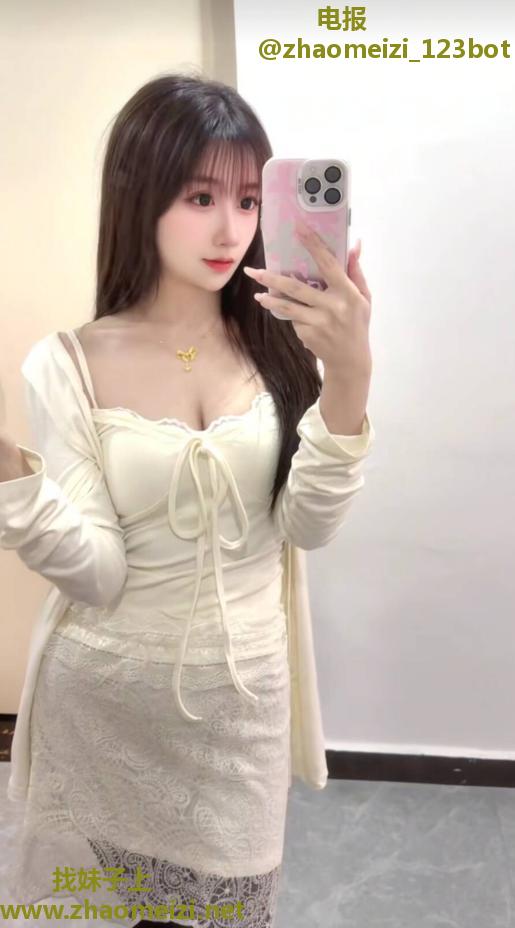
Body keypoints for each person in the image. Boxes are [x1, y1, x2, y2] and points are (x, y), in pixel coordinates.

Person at [0, 73, 374, 927]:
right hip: (103, 709)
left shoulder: (282, 342)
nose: (230, 230)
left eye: (248, 200)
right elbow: (95, 573)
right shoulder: (66, 362)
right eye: (200, 197)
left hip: (241, 714)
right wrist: (11, 477)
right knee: (92, 913)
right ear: (139, 193)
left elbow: (306, 525)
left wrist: (350, 374)